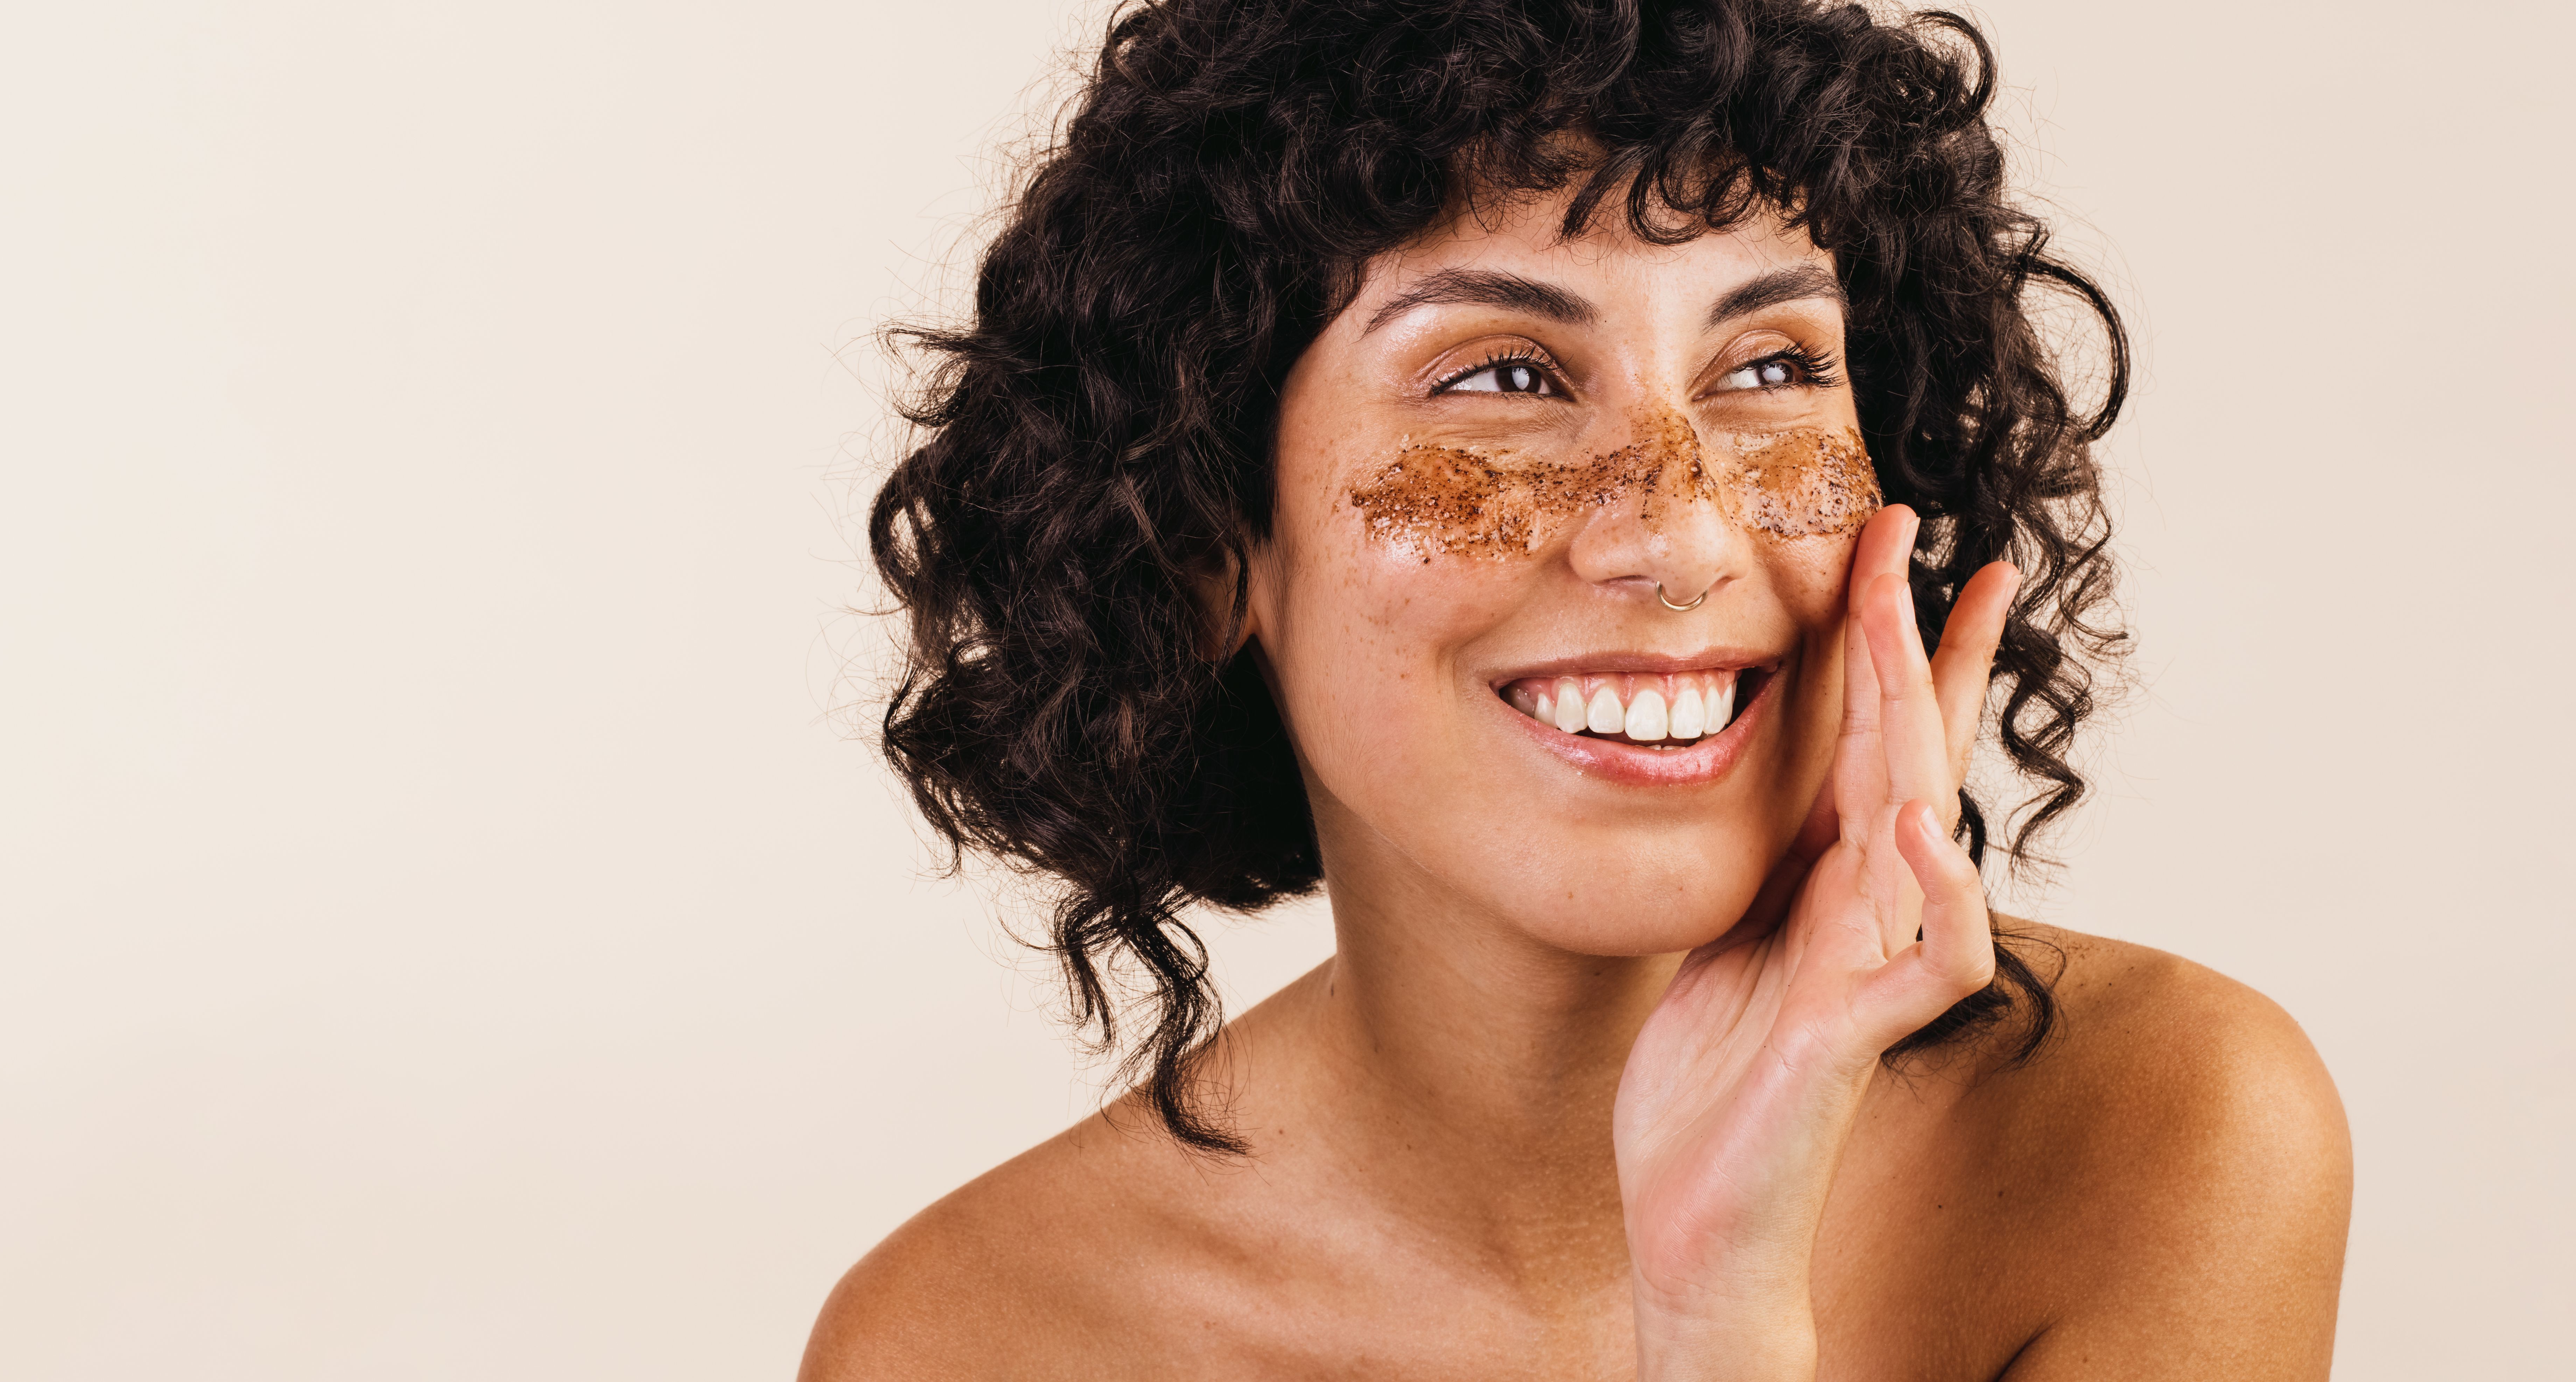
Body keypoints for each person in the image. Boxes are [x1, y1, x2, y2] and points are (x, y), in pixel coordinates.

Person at [807, 1, 2352, 1375]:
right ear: (1214, 543)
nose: (1678, 532)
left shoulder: (2159, 1136)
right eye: (1500, 378)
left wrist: (1725, 1313)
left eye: (1769, 369)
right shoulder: (974, 1342)